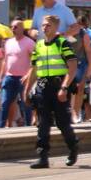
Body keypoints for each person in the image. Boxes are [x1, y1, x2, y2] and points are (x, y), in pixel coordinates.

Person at [24, 15, 80, 169]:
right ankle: (43, 157)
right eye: (43, 25)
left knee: (63, 123)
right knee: (43, 123)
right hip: (43, 88)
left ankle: (73, 146)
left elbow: (73, 67)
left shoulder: (63, 43)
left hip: (58, 87)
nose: (44, 28)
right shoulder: (39, 45)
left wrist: (64, 87)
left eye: (48, 25)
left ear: (56, 27)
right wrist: (27, 90)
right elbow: (34, 70)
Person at [0, 18, 35, 128]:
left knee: (26, 104)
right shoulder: (8, 42)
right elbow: (5, 60)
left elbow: (35, 61)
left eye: (15, 27)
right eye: (12, 27)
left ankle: (29, 127)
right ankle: (0, 128)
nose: (13, 29)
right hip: (9, 77)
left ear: (22, 28)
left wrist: (29, 75)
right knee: (5, 103)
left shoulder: (29, 43)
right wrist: (1, 77)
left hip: (24, 78)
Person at [66, 15, 91, 123]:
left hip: (80, 63)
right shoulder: (65, 31)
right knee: (67, 89)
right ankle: (67, 113)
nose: (80, 26)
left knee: (79, 89)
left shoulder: (84, 34)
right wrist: (68, 34)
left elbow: (88, 51)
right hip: (67, 64)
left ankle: (76, 113)